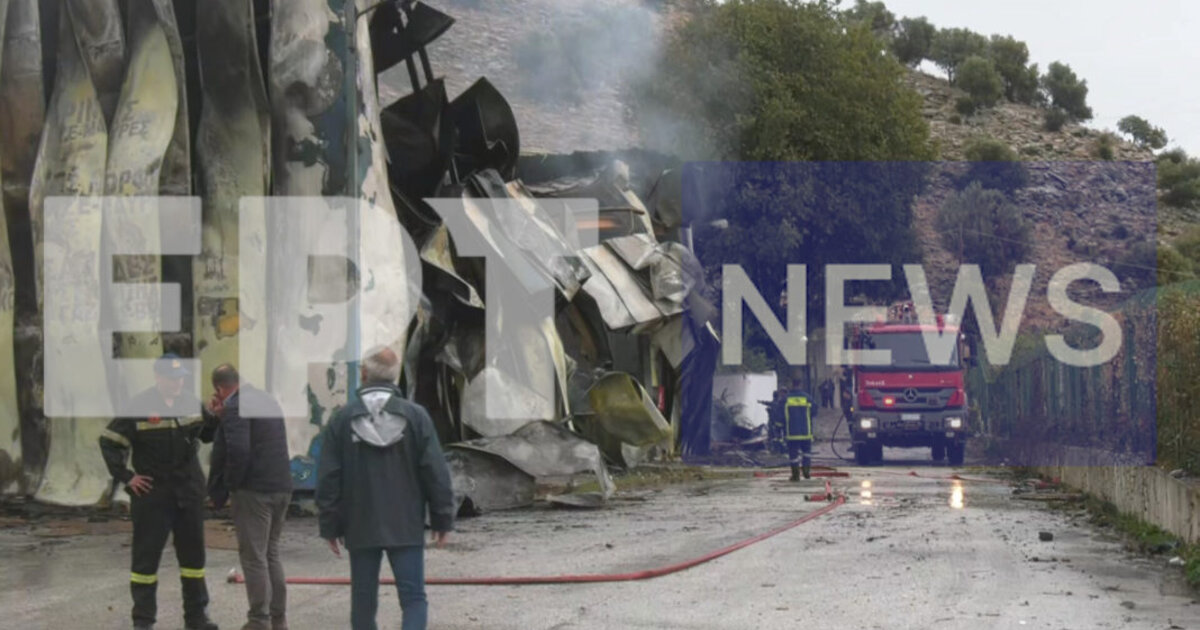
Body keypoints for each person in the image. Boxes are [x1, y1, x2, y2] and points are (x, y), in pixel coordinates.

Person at [316, 348, 455, 630]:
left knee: (363, 599)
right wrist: (442, 518)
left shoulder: (342, 420)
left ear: (364, 373)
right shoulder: (416, 417)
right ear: (394, 376)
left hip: (360, 523)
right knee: (413, 598)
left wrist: (330, 525)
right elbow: (435, 472)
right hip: (405, 523)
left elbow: (329, 477)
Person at [99, 353, 220, 630]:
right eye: (171, 379)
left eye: (180, 379)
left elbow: (207, 435)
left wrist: (216, 418)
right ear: (158, 377)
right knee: (146, 561)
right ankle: (143, 621)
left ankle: (196, 618)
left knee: (193, 560)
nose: (177, 384)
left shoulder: (190, 402)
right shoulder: (139, 406)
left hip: (188, 492)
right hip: (153, 496)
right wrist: (127, 477)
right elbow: (109, 441)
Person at [207, 364, 292, 630]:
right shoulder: (267, 400)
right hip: (281, 487)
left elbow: (239, 451)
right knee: (271, 553)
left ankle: (258, 621)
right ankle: (278, 619)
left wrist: (230, 486)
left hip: (254, 492)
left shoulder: (236, 407)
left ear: (219, 389)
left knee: (254, 557)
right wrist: (223, 417)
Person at [785, 387, 815, 481]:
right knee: (807, 453)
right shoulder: (807, 397)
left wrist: (780, 428)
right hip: (806, 432)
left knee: (793, 455)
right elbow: (814, 410)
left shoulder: (786, 399)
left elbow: (780, 415)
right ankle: (806, 471)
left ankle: (796, 475)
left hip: (792, 433)